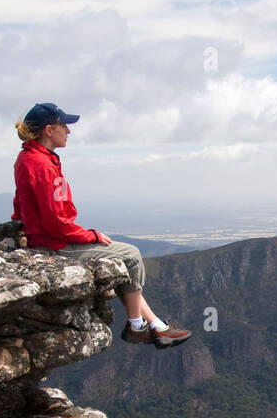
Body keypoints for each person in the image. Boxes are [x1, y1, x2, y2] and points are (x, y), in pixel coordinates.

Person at [12, 102, 190, 348]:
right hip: (54, 243)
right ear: (49, 130)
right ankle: (136, 326)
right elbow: (56, 223)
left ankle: (157, 325)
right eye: (64, 125)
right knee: (132, 255)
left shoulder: (30, 158)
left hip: (43, 238)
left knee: (121, 261)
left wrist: (22, 228)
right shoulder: (42, 165)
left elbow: (21, 202)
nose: (69, 131)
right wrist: (90, 236)